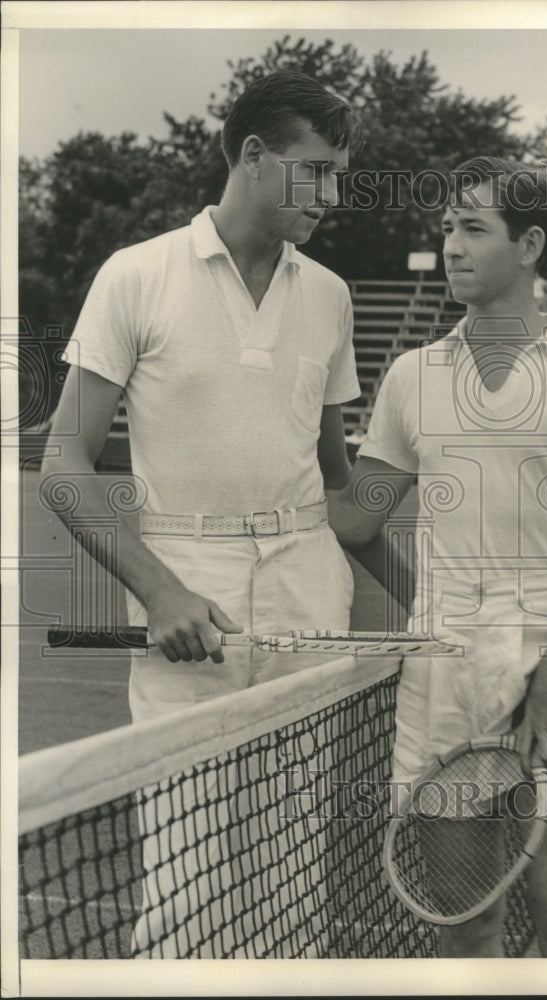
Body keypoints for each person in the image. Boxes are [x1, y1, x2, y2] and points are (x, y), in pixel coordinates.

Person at [41, 70, 366, 957]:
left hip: (309, 588)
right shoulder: (135, 274)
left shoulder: (330, 295)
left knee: (294, 893)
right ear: (253, 156)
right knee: (186, 904)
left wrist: (435, 592)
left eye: (340, 174)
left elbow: (339, 491)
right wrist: (164, 592)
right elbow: (63, 464)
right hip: (189, 594)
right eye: (316, 170)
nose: (332, 196)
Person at [327, 155, 547, 957]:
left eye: (473, 228)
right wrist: (428, 613)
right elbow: (356, 524)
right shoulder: (410, 376)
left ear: (531, 243)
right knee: (465, 931)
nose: (451, 245)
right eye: (446, 227)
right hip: (443, 676)